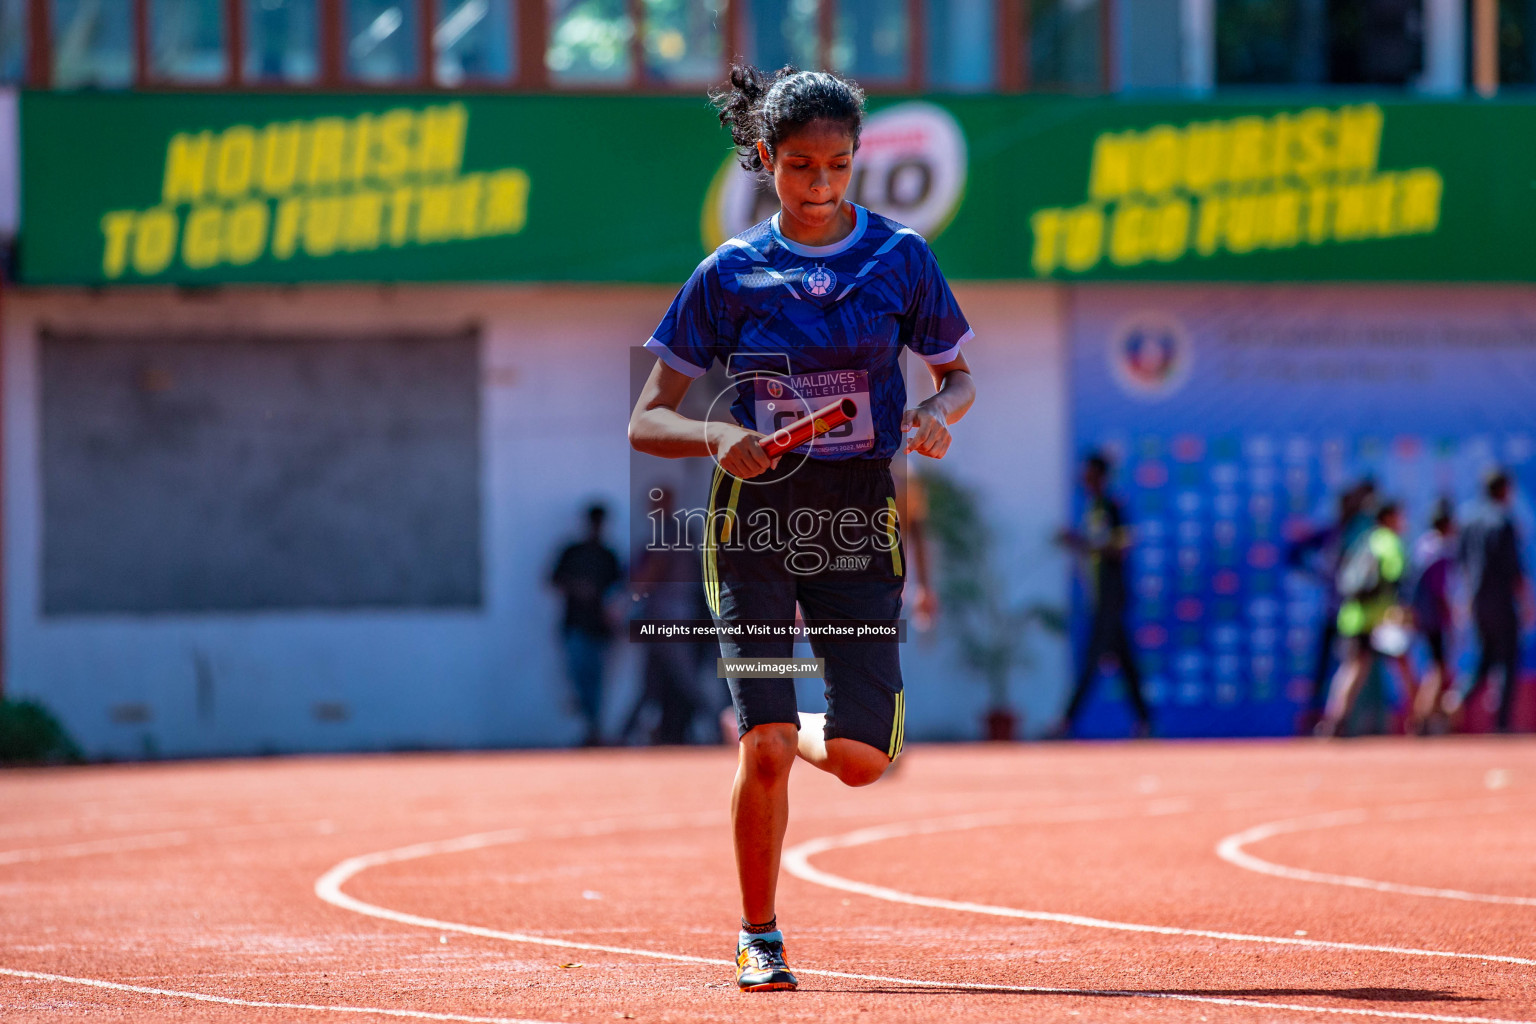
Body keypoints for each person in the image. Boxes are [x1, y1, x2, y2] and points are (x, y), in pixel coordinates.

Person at [627, 63, 975, 992]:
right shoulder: (731, 272)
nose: (820, 186)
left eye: (838, 165)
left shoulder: (899, 258)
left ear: (857, 160)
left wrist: (944, 411)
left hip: (860, 520)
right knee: (766, 747)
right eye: (800, 167)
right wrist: (719, 433)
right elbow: (646, 419)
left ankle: (798, 722)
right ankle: (759, 933)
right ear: (765, 162)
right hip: (755, 525)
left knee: (862, 762)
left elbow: (958, 372)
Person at [1052, 452, 1153, 738]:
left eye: (1088, 471)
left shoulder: (1112, 506)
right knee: (1127, 665)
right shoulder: (1093, 507)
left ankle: (1065, 723)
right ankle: (1145, 723)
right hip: (1100, 600)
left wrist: (1081, 543)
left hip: (1111, 600)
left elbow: (1120, 549)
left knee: (1091, 661)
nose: (1082, 477)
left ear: (1099, 476)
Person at [1315, 501, 1417, 737]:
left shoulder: (1367, 540)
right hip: (1379, 619)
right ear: (1390, 518)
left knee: (1353, 668)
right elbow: (1397, 577)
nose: (1403, 522)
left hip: (1354, 616)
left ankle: (1334, 721)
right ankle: (1420, 719)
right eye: (1400, 516)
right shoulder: (1389, 541)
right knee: (1402, 665)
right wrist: (1402, 609)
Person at [1457, 470, 1533, 732]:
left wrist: (1466, 602)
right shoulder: (1503, 521)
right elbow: (1515, 569)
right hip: (1501, 602)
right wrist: (1526, 601)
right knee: (1507, 661)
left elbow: (1463, 566)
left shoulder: (1467, 521)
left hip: (1478, 602)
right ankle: (1502, 724)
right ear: (1503, 490)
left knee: (1484, 662)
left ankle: (1452, 704)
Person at [550, 503, 623, 747]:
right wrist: (577, 588)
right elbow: (553, 580)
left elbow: (620, 591)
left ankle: (592, 731)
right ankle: (586, 728)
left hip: (600, 630)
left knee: (596, 684)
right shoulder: (573, 552)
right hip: (575, 626)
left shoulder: (608, 555)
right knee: (578, 681)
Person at [1408, 499, 1457, 733]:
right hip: (1433, 616)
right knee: (1438, 666)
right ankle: (1424, 716)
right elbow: (1439, 589)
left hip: (1422, 615)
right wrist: (1449, 612)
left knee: (1434, 665)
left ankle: (1428, 715)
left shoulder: (1422, 545)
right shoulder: (1440, 549)